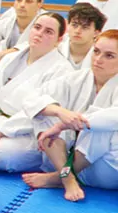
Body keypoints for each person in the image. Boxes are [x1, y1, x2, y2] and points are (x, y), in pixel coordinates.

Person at [20, 30, 118, 201]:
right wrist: (60, 112)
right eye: (96, 51)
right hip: (69, 159)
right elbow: (31, 98)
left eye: (109, 56)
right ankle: (67, 177)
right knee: (44, 112)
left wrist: (63, 124)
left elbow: (113, 117)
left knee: (102, 127)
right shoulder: (76, 78)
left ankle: (59, 177)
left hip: (106, 167)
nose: (98, 59)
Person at [0, 13, 70, 178]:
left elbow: (39, 112)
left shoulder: (62, 70)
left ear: (59, 40)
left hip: (29, 131)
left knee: (5, 152)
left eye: (48, 32)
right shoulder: (11, 58)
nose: (40, 34)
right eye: (37, 27)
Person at [61, 3, 106, 70]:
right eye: (74, 25)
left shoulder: (104, 57)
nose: (77, 31)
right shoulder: (56, 50)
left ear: (96, 33)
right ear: (68, 25)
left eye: (85, 27)